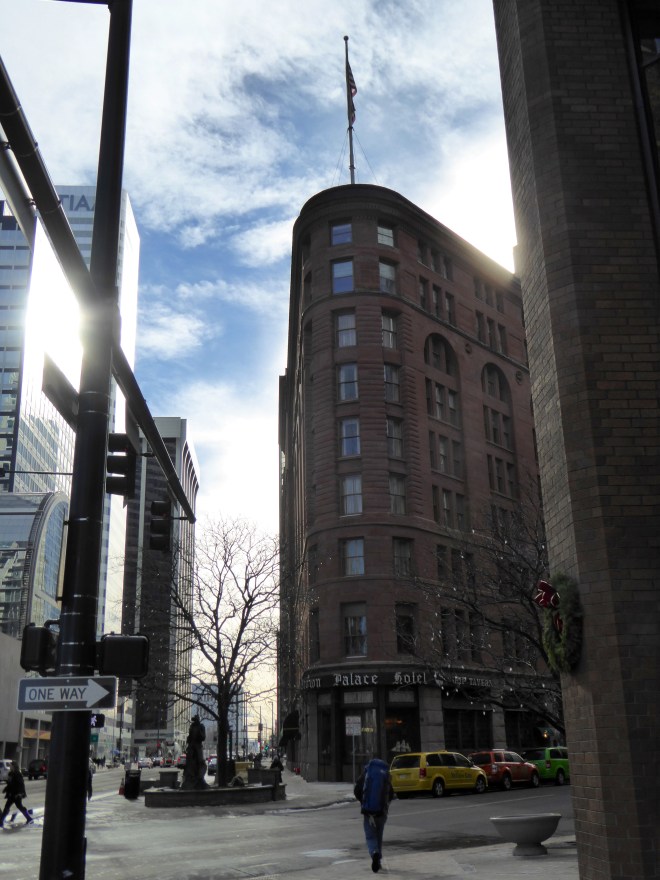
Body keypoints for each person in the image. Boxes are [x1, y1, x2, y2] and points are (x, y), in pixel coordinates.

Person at [354, 757, 394, 873]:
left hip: (368, 812)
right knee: (378, 836)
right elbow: (391, 793)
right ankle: (378, 860)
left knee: (371, 837)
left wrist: (363, 803)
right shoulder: (385, 775)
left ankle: (374, 853)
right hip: (381, 812)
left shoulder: (367, 774)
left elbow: (357, 791)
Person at [0, 761, 33, 826]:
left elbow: (20, 784)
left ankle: (29, 818)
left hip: (17, 794)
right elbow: (10, 784)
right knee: (7, 807)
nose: (10, 767)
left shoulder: (17, 774)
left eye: (11, 765)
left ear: (14, 766)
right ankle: (1, 821)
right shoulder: (10, 774)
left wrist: (20, 793)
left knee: (19, 806)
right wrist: (6, 789)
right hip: (11, 794)